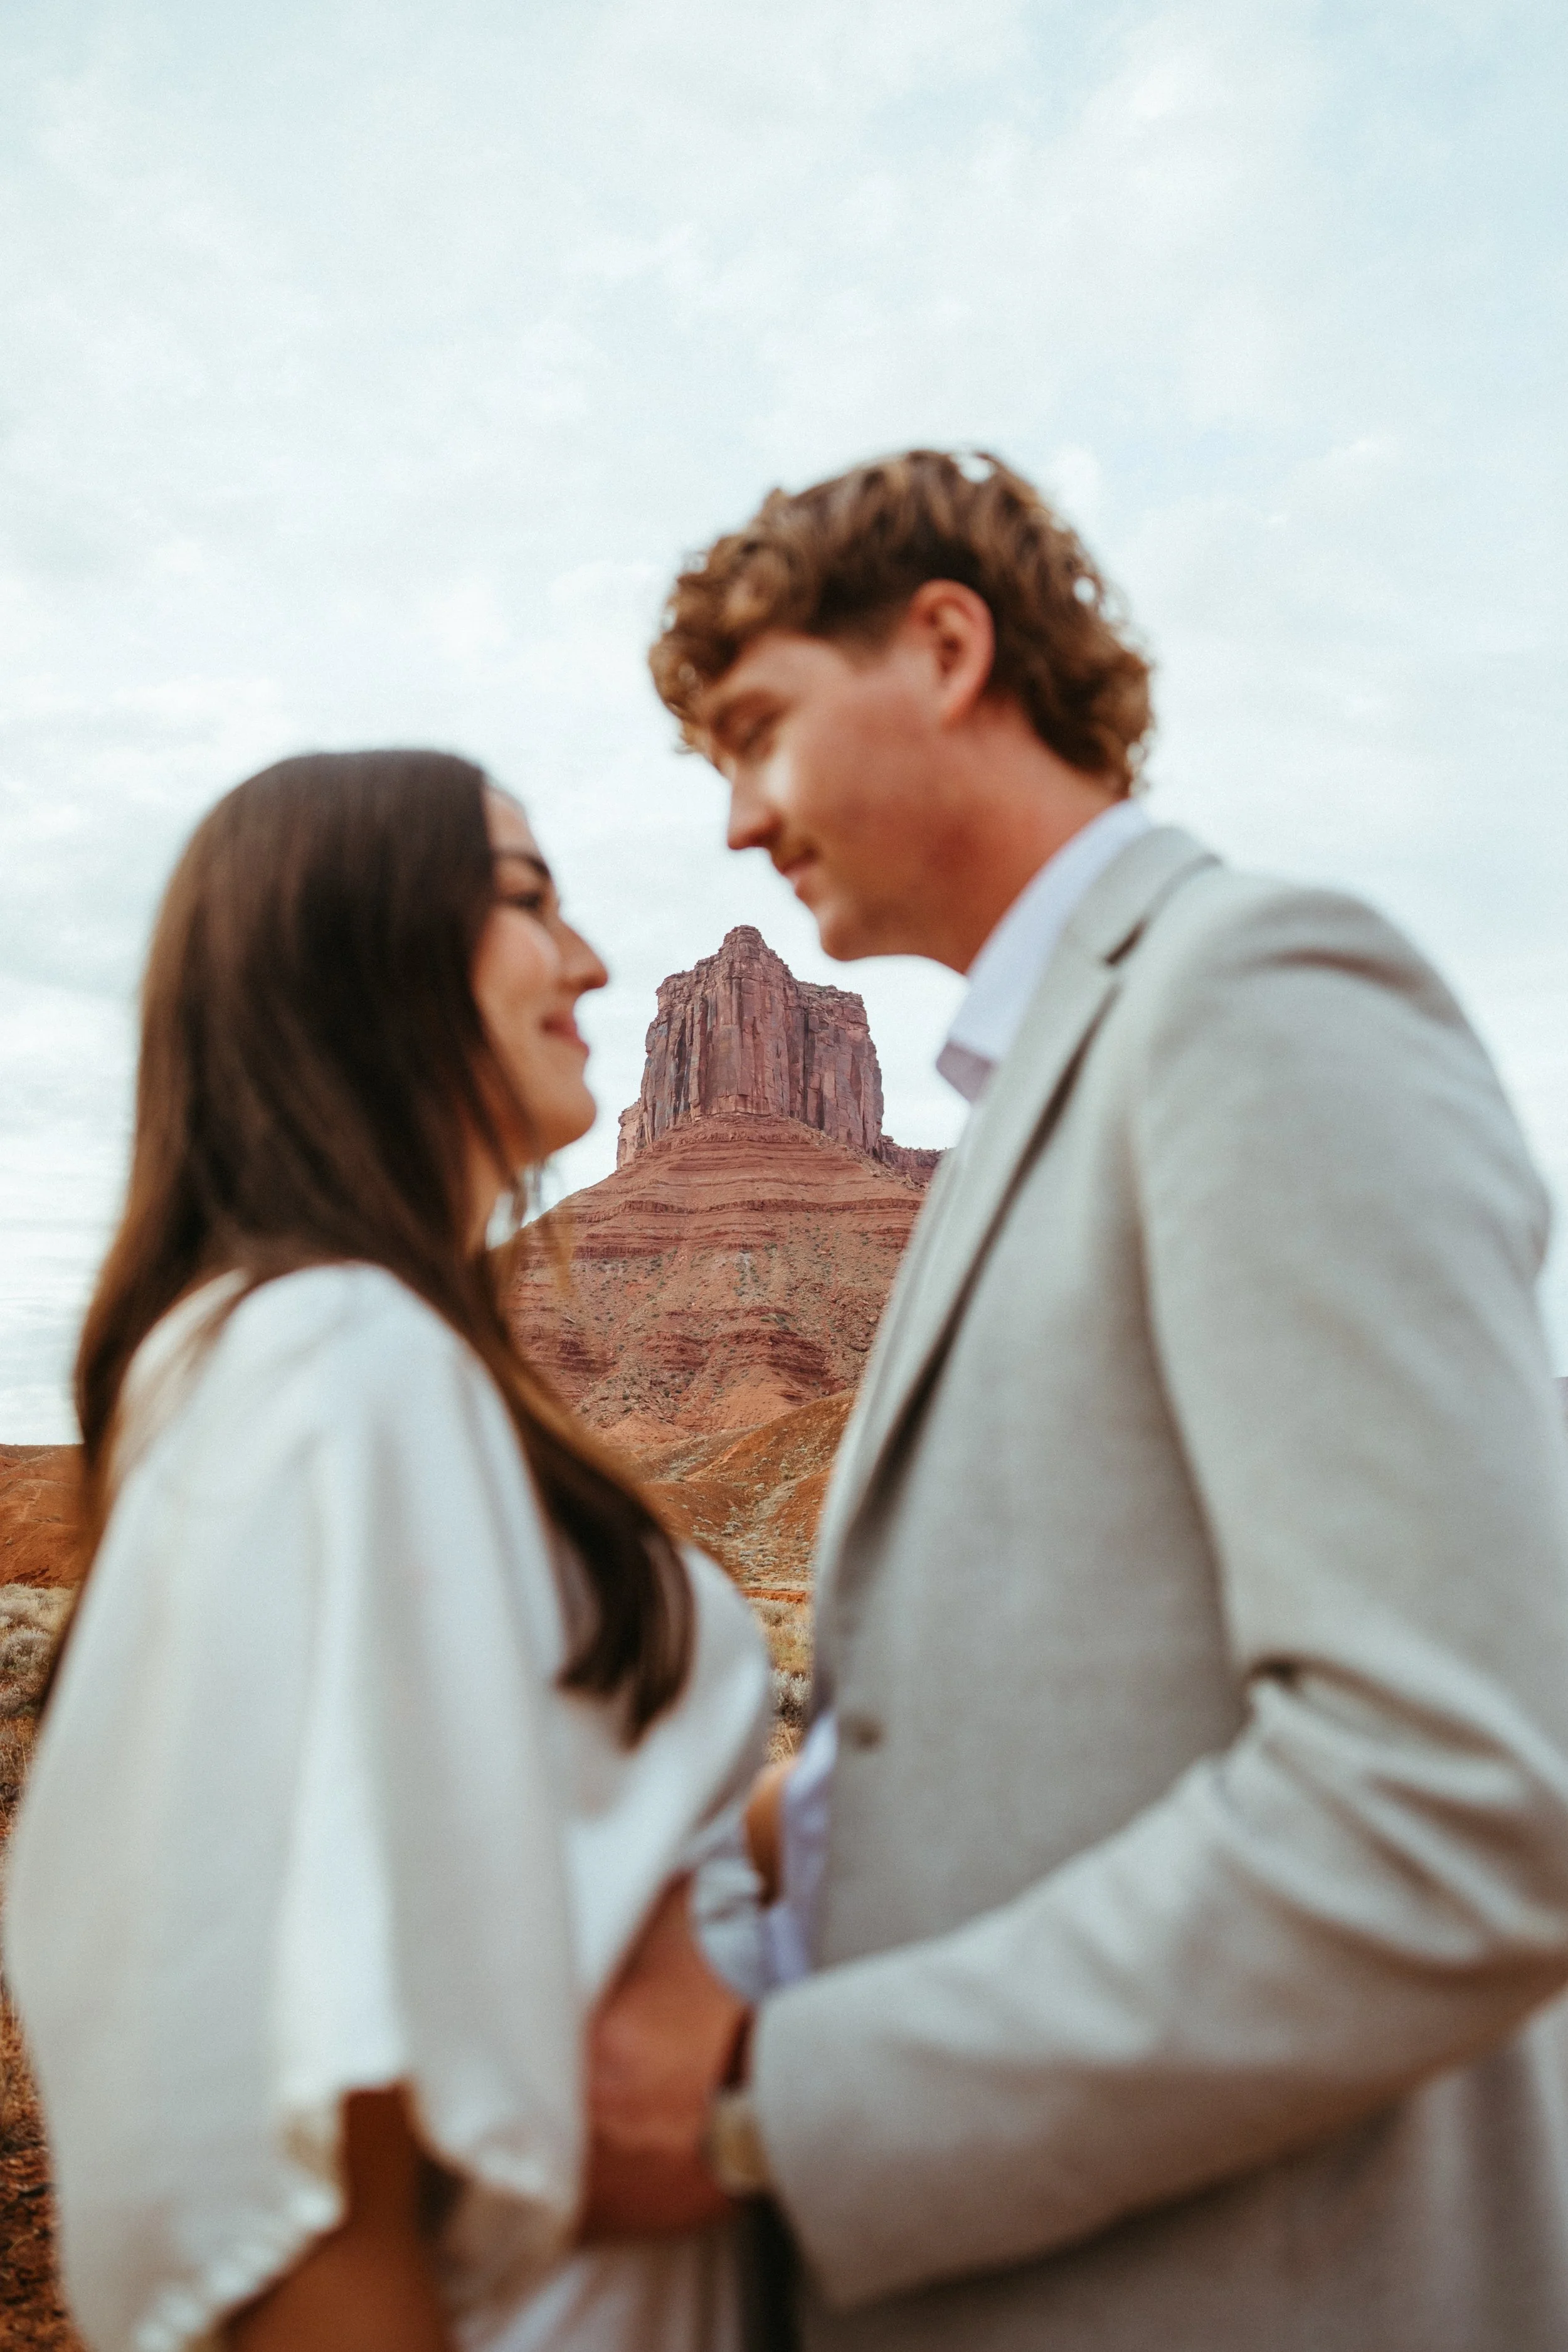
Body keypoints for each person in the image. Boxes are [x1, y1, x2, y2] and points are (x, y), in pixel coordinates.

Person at [581, 451, 1568, 2351]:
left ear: (946, 646)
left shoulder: (1254, 994)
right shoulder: (1036, 1084)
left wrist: (765, 2105)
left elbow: (1456, 1798)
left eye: (758, 731)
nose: (732, 821)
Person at [3, 749, 774, 2352]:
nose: (592, 963)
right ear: (355, 945)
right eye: (525, 900)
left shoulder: (347, 1351)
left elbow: (541, 1812)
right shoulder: (336, 1361)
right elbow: (301, 2151)